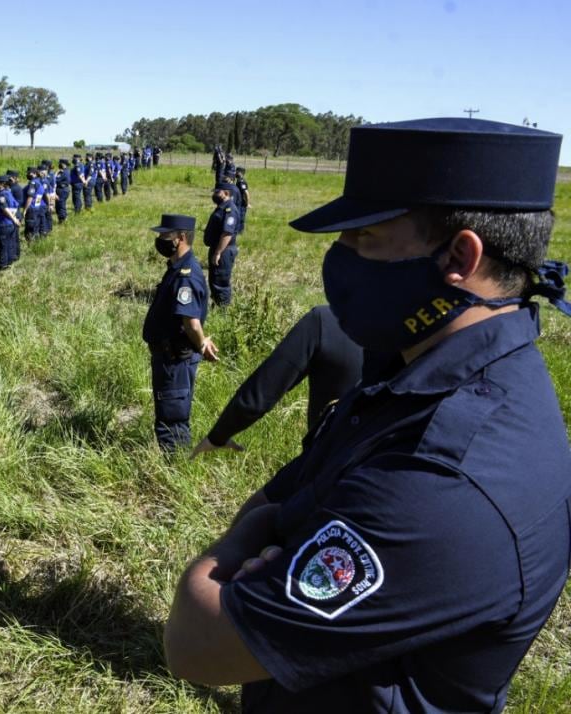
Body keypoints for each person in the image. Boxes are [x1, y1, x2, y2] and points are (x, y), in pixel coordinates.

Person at [163, 118, 571, 713]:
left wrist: (242, 542)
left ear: (459, 255)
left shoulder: (446, 477)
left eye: (365, 239)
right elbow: (295, 491)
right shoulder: (413, 376)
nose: (339, 259)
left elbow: (196, 645)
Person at [190, 305, 363, 455]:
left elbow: (261, 393)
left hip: (331, 468)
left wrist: (218, 436)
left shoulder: (325, 321)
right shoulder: (389, 332)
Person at [143, 214, 220, 451]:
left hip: (174, 360)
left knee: (172, 422)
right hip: (168, 358)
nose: (160, 239)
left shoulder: (187, 274)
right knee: (167, 417)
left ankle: (175, 472)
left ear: (181, 238)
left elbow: (191, 322)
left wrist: (201, 343)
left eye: (165, 235)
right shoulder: (177, 268)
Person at [203, 181, 241, 307]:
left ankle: (223, 310)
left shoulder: (230, 210)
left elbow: (227, 233)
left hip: (224, 250)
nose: (214, 194)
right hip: (217, 248)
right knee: (214, 279)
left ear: (226, 193)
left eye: (217, 192)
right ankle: (216, 304)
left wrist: (218, 253)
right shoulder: (223, 207)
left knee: (220, 281)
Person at [0, 175, 21, 270]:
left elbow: (5, 209)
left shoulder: (1, 195)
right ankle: (9, 262)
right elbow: (16, 206)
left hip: (4, 224)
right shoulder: (9, 193)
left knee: (2, 245)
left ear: (2, 184)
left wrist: (14, 219)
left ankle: (3, 265)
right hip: (11, 224)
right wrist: (15, 219)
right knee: (10, 244)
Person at [55, 158, 70, 224]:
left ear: (63, 164)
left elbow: (56, 179)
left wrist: (56, 173)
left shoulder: (63, 172)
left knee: (61, 205)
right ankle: (62, 218)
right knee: (60, 205)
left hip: (62, 190)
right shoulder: (66, 171)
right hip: (63, 190)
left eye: (60, 163)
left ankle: (62, 219)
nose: (59, 164)